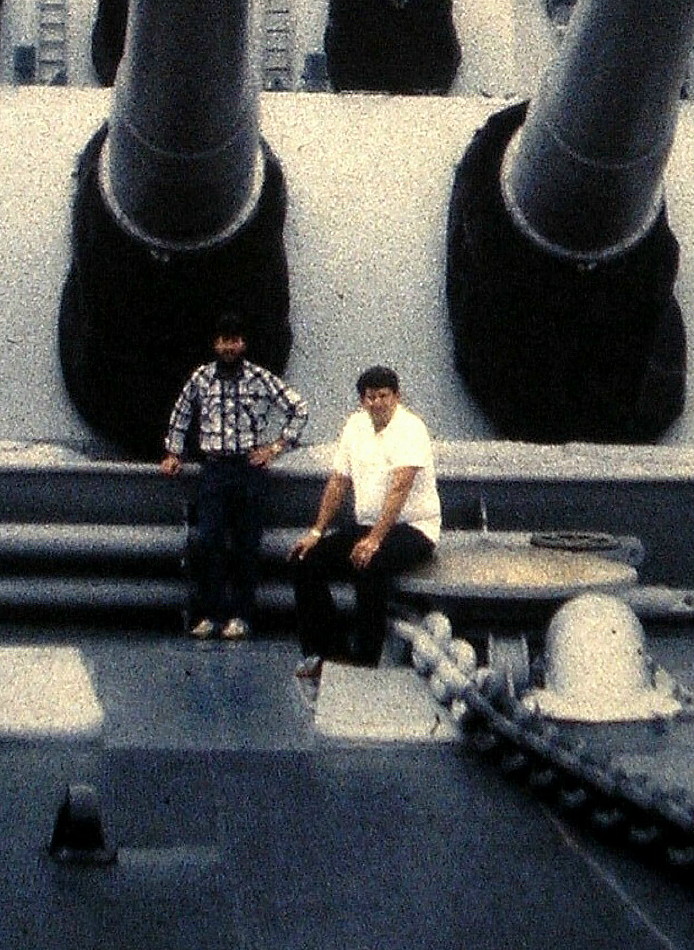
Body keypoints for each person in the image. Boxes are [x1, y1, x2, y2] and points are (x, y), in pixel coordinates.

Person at [161, 313, 308, 639]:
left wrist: (276, 447)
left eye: (235, 340)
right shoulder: (201, 378)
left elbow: (299, 408)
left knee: (246, 544)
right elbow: (181, 414)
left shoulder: (259, 378)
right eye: (224, 340)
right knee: (208, 540)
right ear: (215, 344)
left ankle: (242, 617)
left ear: (244, 343)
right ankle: (210, 615)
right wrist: (174, 453)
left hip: (249, 470)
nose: (230, 346)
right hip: (213, 469)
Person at [290, 366, 440, 676]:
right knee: (304, 560)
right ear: (362, 400)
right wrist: (316, 532)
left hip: (414, 529)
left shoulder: (411, 428)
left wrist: (374, 541)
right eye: (370, 397)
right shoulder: (354, 426)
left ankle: (365, 661)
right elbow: (337, 482)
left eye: (384, 396)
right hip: (368, 525)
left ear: (397, 397)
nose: (377, 403)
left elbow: (400, 488)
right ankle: (328, 654)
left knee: (369, 564)